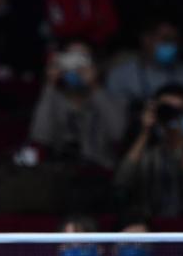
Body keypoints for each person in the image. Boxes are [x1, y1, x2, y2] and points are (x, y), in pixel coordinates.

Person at [28, 41, 126, 171]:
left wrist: (94, 87)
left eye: (82, 59)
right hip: (60, 172)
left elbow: (118, 133)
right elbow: (39, 136)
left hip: (100, 171)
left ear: (95, 66)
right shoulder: (53, 98)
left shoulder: (110, 98)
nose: (76, 66)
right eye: (70, 58)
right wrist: (50, 84)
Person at [114, 83, 183, 217]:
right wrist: (145, 132)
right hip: (148, 221)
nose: (172, 115)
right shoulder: (145, 149)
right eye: (166, 109)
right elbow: (121, 182)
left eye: (179, 110)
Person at [106, 18, 183, 114]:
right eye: (166, 39)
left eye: (175, 40)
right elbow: (114, 117)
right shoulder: (121, 76)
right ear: (146, 39)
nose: (172, 45)